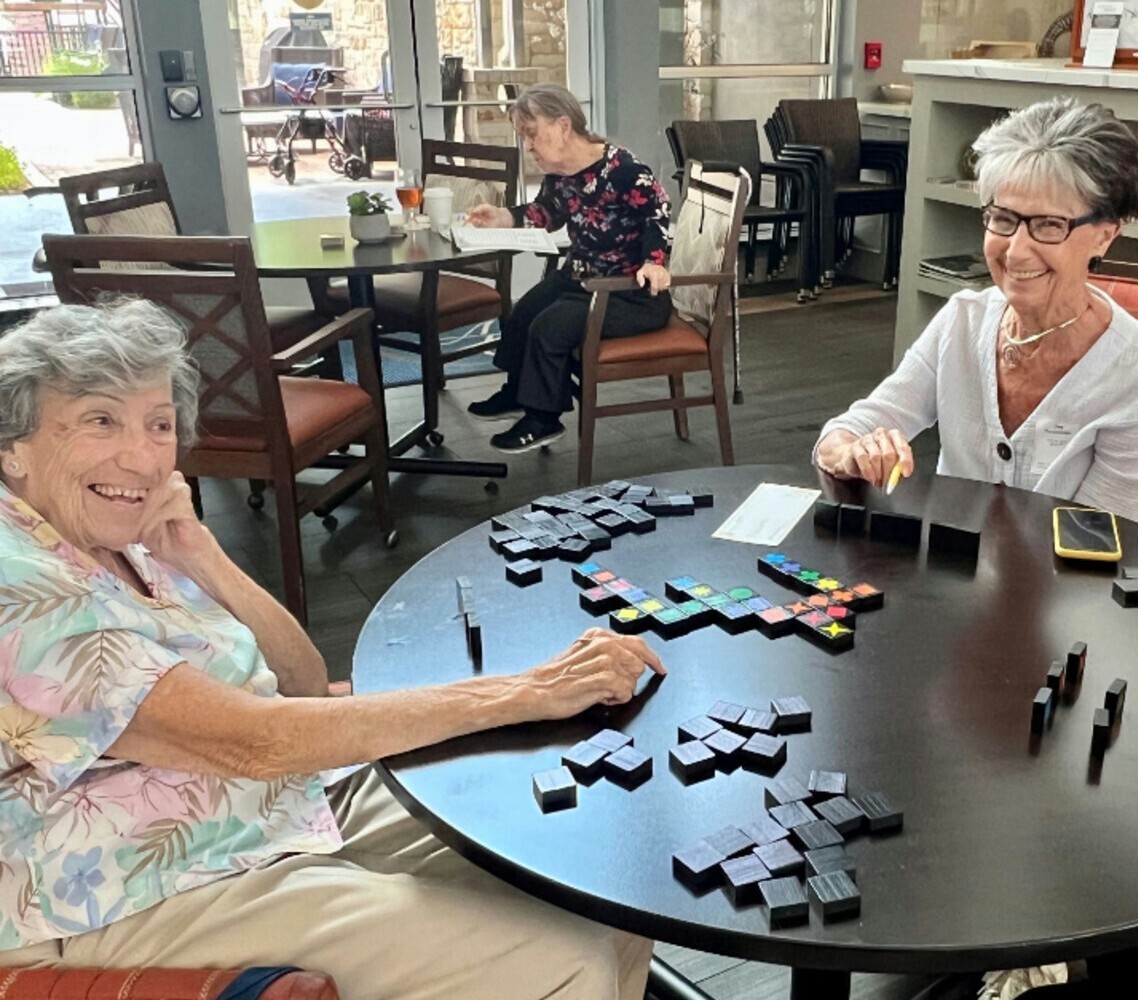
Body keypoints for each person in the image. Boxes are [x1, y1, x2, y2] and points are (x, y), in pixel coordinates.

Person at [0, 300, 664, 999]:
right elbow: (253, 741)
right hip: (123, 880)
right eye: (99, 420)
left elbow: (303, 684)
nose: (139, 456)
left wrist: (202, 557)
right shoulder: (21, 586)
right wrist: (525, 691)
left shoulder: (112, 533)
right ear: (13, 444)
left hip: (274, 804)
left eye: (158, 424)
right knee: (563, 963)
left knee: (604, 886)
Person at [813, 97, 1138, 522]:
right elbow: (848, 431)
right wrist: (851, 452)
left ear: (1104, 236)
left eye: (1049, 225)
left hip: (1061, 584)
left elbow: (1093, 541)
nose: (1016, 250)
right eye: (1003, 218)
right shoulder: (962, 319)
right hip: (941, 570)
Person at [465, 83, 673, 454]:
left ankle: (543, 419)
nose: (528, 146)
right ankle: (517, 393)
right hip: (581, 277)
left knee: (551, 326)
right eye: (523, 137)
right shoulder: (560, 174)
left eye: (532, 134)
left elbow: (657, 213)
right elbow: (547, 213)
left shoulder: (623, 169)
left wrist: (655, 264)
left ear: (563, 126)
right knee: (523, 312)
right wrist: (503, 216)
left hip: (628, 291)